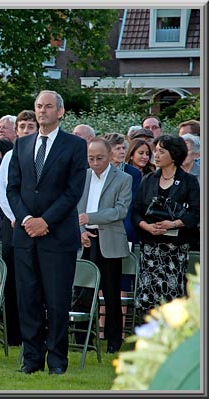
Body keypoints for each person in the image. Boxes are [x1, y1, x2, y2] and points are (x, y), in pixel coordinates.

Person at [7, 90, 87, 375]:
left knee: (56, 301)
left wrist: (46, 221)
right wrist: (28, 218)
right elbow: (12, 188)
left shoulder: (75, 146)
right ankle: (31, 359)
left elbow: (73, 191)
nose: (42, 111)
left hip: (58, 236)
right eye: (39, 106)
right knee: (27, 300)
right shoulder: (22, 144)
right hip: (25, 236)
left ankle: (57, 361)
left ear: (60, 111)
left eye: (48, 106)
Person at [131, 135, 200, 315]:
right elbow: (137, 210)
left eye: (161, 151)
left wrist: (174, 224)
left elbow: (196, 212)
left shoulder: (189, 181)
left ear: (174, 154)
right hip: (150, 247)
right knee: (149, 299)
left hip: (174, 250)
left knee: (171, 300)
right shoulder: (148, 179)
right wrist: (146, 226)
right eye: (156, 151)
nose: (156, 155)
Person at [76, 138, 132, 353]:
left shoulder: (123, 179)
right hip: (85, 239)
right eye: (91, 158)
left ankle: (113, 341)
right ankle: (82, 340)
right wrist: (81, 231)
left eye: (99, 158)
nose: (95, 162)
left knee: (111, 293)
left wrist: (90, 217)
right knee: (82, 291)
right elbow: (74, 207)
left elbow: (120, 210)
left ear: (109, 156)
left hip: (109, 239)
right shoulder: (82, 177)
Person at [0, 109, 38, 347]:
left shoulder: (40, 154)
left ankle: (35, 332)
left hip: (38, 227)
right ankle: (13, 334)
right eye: (22, 127)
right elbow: (3, 191)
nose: (25, 131)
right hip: (15, 226)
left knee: (34, 281)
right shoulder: (9, 156)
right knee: (12, 281)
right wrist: (16, 217)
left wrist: (31, 219)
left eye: (29, 127)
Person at [103, 132, 142, 244]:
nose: (122, 151)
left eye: (124, 148)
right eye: (118, 148)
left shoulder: (133, 173)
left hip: (124, 221)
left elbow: (131, 202)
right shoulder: (97, 170)